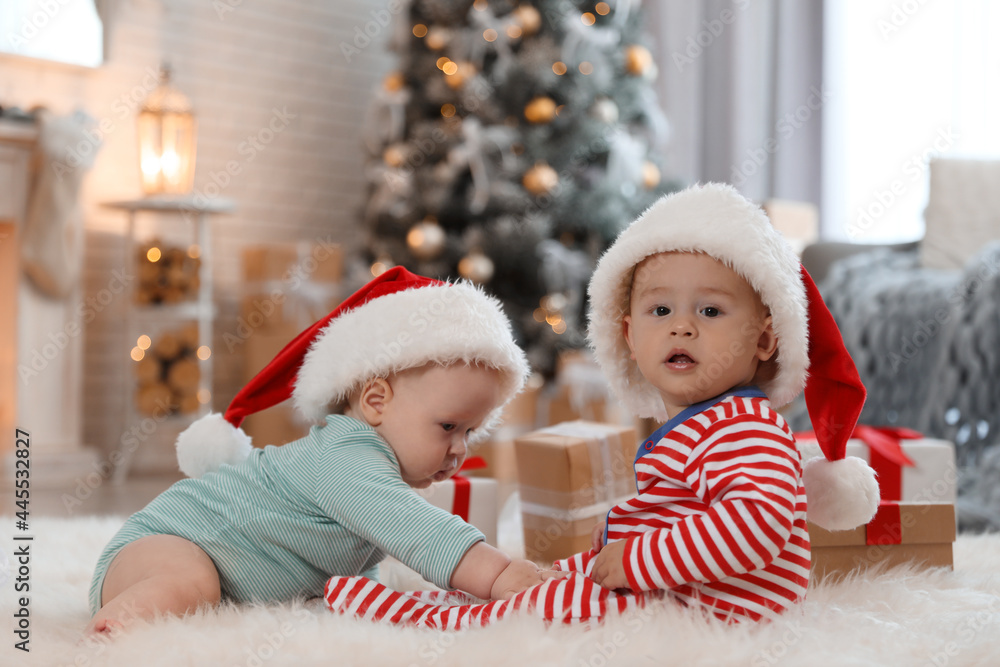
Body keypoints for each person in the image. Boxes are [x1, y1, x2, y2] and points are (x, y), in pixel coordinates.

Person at [325, 183, 879, 626]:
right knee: (559, 580)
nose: (682, 326)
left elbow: (756, 521)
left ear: (764, 339)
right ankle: (485, 599)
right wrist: (623, 534)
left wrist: (639, 558)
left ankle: (450, 620)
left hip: (711, 608)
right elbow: (686, 514)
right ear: (629, 336)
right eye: (660, 312)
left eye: (710, 312)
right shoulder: (707, 424)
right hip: (684, 589)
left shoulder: (745, 428)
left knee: (554, 607)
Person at [88, 266, 561, 635]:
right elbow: (417, 531)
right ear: (376, 402)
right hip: (163, 547)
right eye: (448, 426)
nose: (458, 449)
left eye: (471, 432)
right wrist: (498, 575)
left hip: (188, 561)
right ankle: (119, 629)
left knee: (208, 598)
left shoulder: (373, 472)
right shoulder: (346, 457)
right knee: (190, 586)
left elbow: (356, 562)